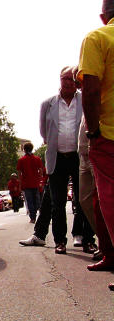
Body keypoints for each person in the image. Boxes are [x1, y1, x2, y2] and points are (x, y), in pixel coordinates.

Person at [78, 0, 114, 289]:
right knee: (99, 201)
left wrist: (93, 132)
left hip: (109, 135)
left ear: (104, 16)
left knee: (109, 200)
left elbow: (90, 90)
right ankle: (110, 254)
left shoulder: (97, 38)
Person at [40, 66, 94, 254]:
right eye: (65, 79)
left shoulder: (85, 99)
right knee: (58, 202)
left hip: (80, 157)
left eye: (73, 79)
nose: (69, 82)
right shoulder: (48, 104)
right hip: (57, 158)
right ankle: (60, 241)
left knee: (84, 200)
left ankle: (88, 239)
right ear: (60, 80)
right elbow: (43, 132)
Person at [17, 142, 44, 223]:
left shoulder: (21, 160)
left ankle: (33, 217)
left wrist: (20, 183)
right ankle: (36, 214)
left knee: (29, 201)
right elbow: (41, 171)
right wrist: (40, 179)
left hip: (26, 184)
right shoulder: (37, 158)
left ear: (24, 150)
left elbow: (19, 173)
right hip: (36, 183)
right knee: (37, 200)